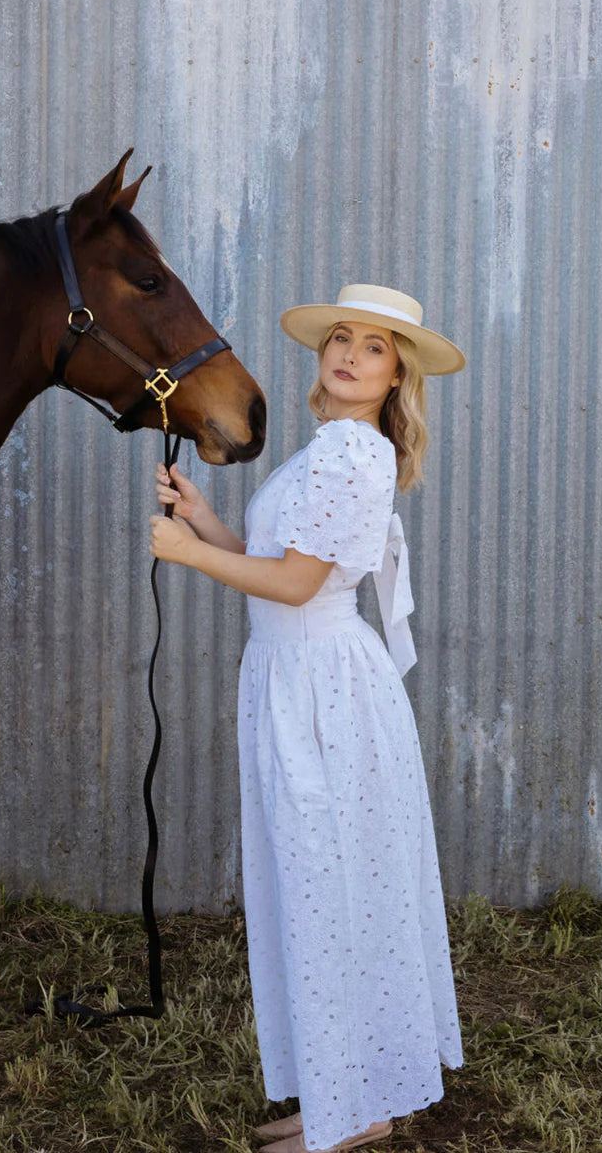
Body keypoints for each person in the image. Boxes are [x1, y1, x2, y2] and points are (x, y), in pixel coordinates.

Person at [149, 285, 465, 1153]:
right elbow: (282, 565)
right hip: (299, 679)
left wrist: (186, 556)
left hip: (322, 691)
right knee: (323, 888)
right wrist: (205, 519)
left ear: (396, 374)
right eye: (341, 337)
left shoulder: (349, 456)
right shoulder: (327, 450)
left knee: (329, 887)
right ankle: (348, 1092)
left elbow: (293, 588)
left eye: (374, 346)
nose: (351, 354)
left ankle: (356, 1108)